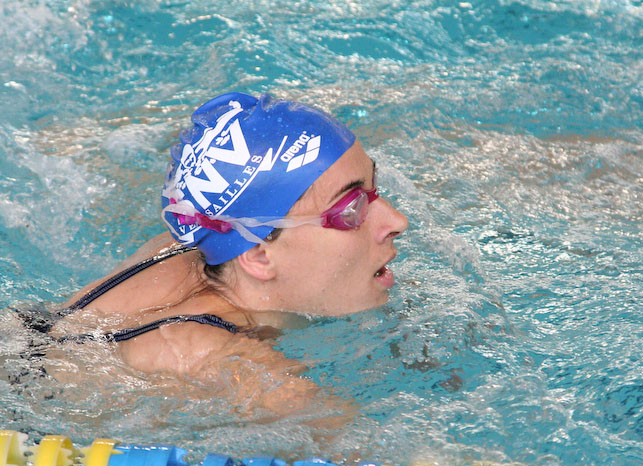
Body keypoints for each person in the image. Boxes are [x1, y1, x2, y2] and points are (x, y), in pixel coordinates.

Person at [25, 92, 408, 419]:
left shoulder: (180, 247)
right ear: (258, 256)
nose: (396, 221)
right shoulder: (226, 363)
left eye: (374, 187)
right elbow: (366, 454)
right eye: (351, 209)